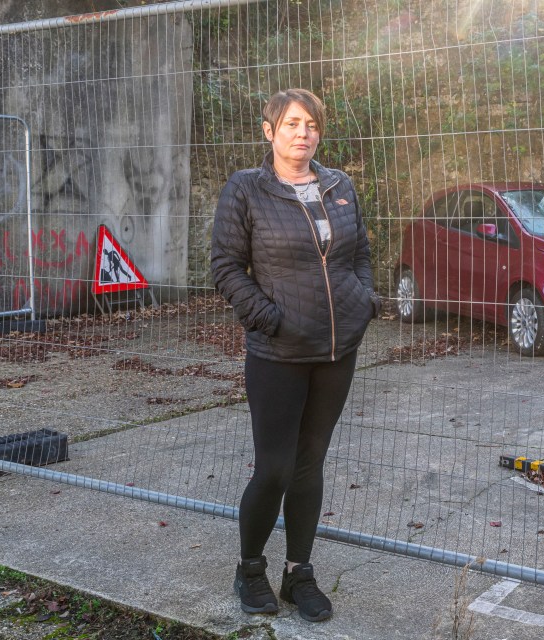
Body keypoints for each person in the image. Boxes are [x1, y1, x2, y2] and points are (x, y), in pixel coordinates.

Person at [210, 88, 380, 621]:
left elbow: (361, 254)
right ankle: (251, 569)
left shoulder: (339, 185)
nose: (302, 133)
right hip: (278, 352)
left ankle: (298, 574)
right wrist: (269, 319)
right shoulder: (247, 189)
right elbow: (225, 266)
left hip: (336, 352)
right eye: (291, 124)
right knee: (275, 469)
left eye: (310, 125)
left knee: (310, 467)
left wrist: (364, 303)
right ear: (270, 131)